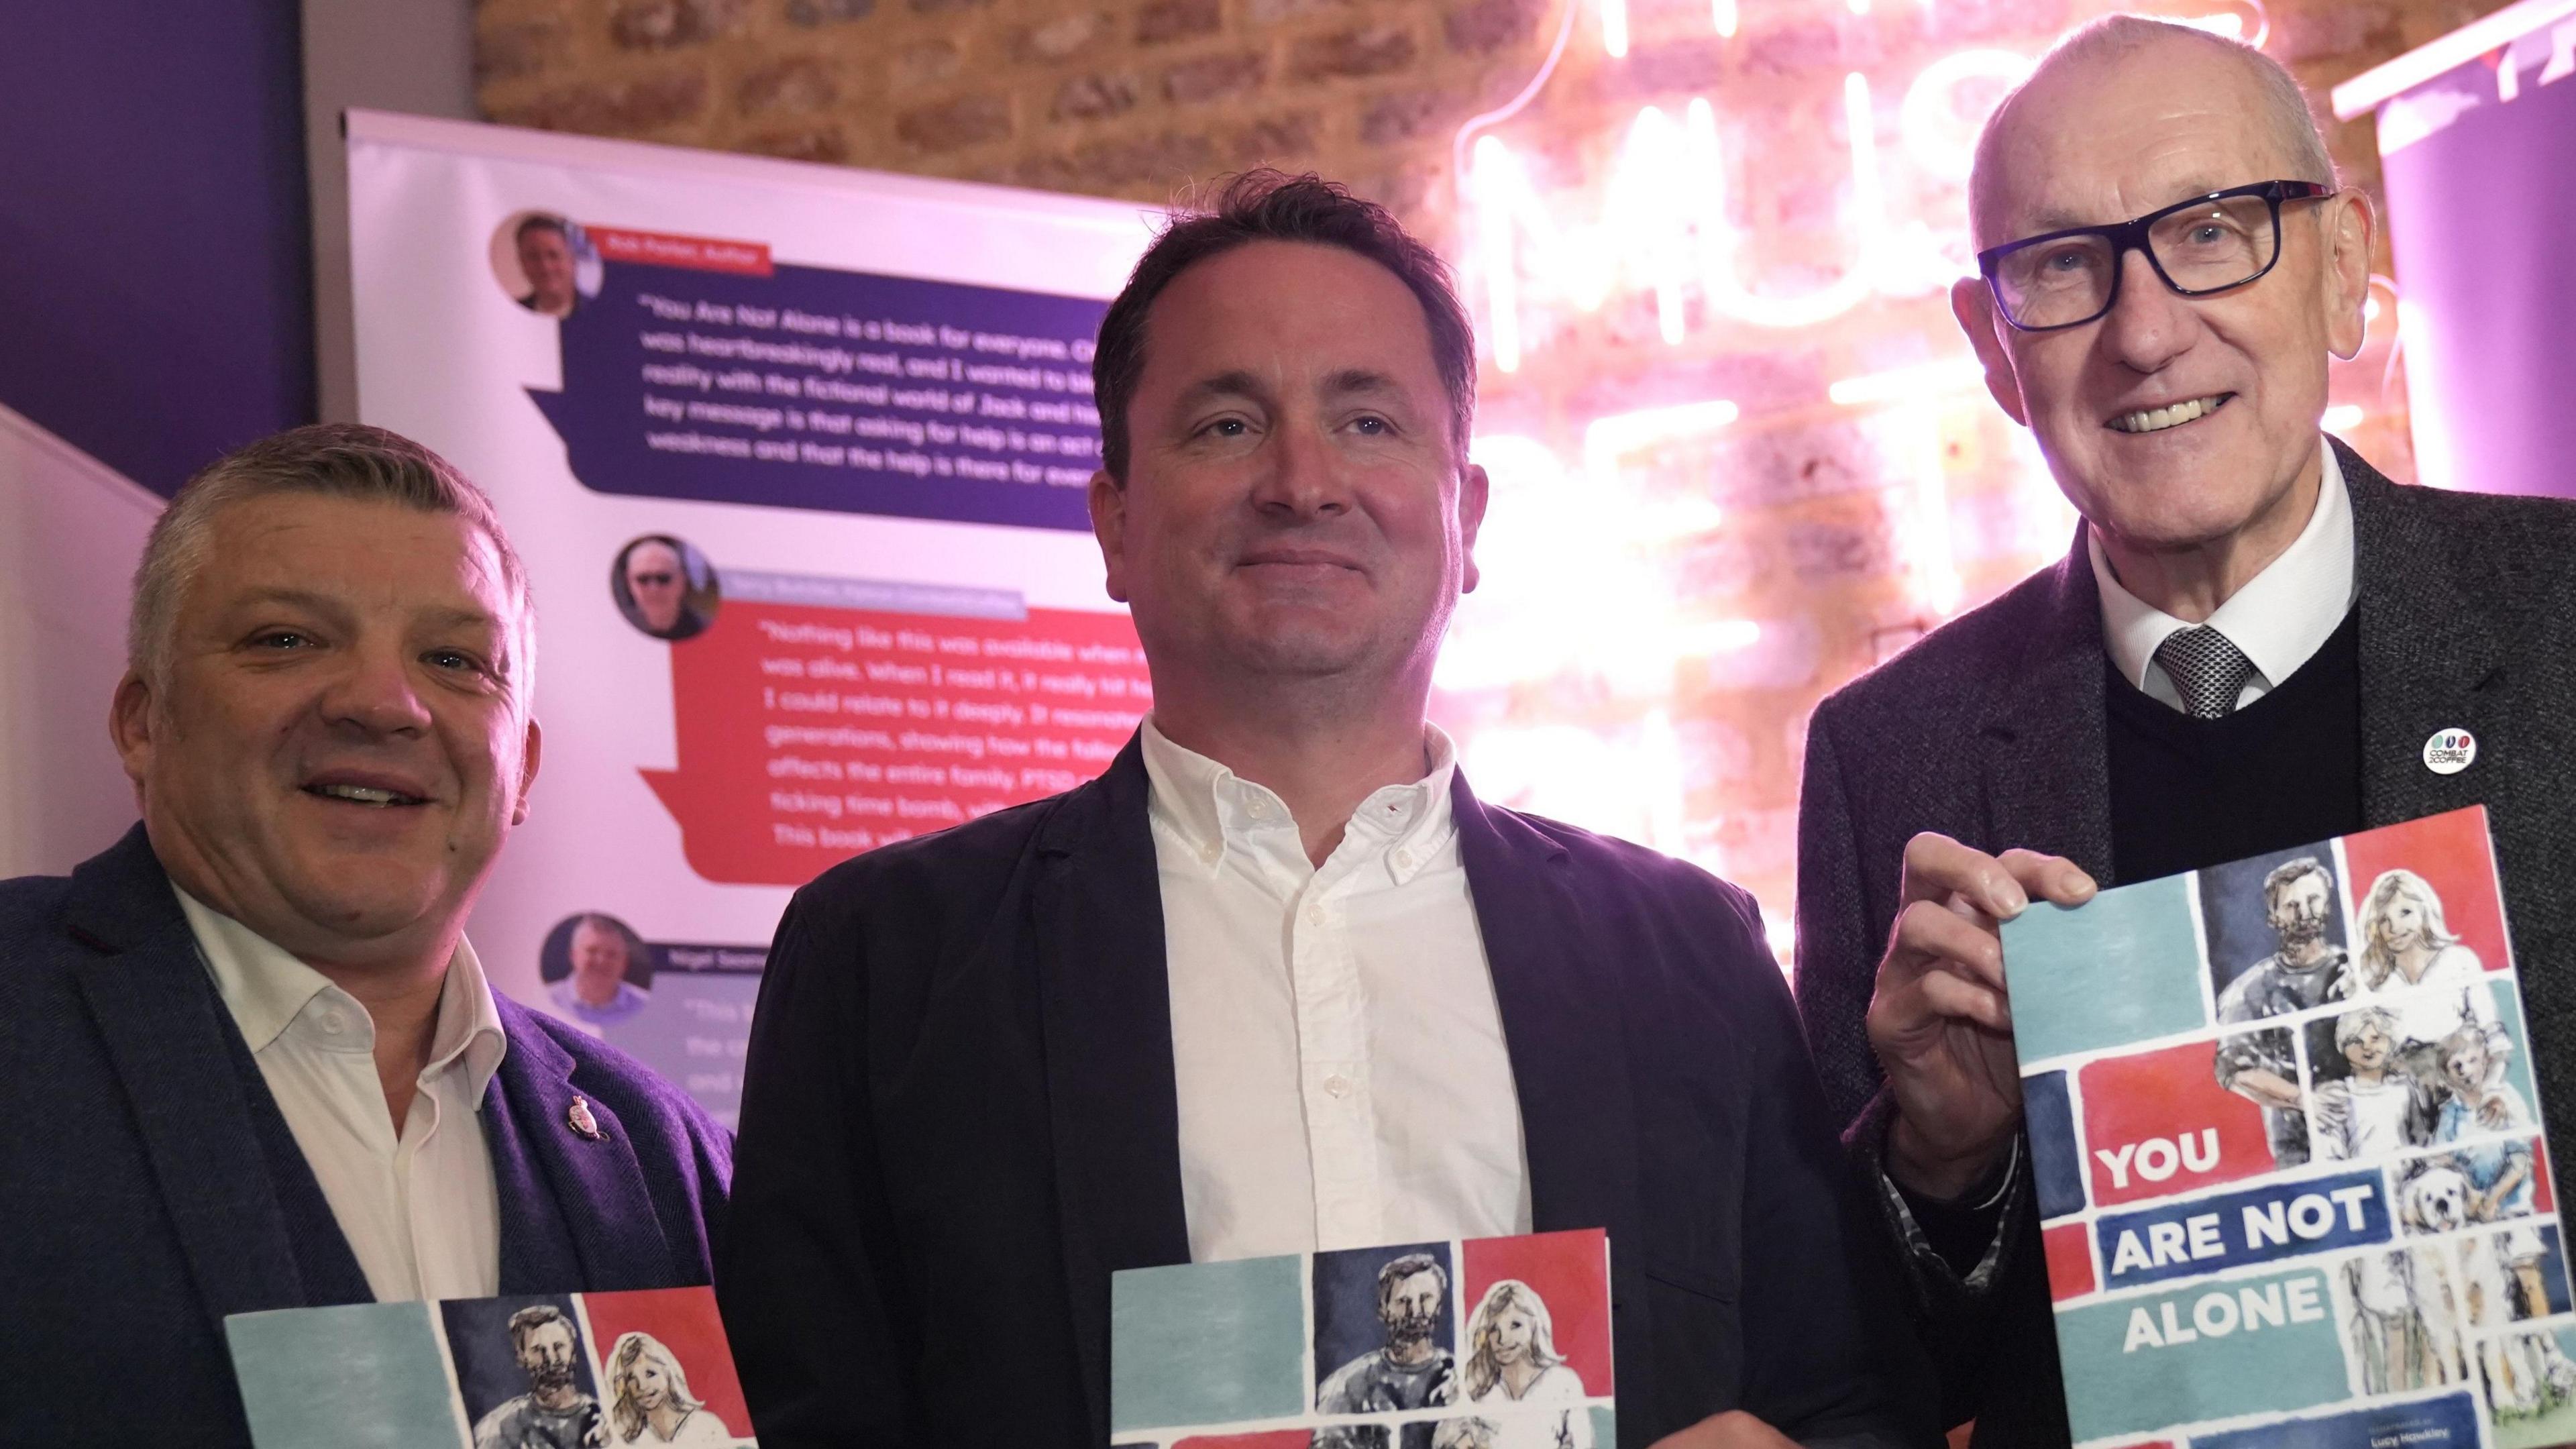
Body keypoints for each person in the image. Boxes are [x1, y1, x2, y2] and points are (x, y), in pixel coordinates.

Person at [719, 172, 1933, 1448]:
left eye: (1366, 423)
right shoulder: (886, 962)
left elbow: (1849, 1401)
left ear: (1465, 520)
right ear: (1115, 523)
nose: (1303, 482)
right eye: (1227, 427)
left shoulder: (1690, 953)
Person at [1790, 12, 2576, 1445]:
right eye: (2064, 267)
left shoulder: (2564, 622)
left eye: (2215, 232)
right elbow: (1873, 1377)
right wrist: (1945, 1164)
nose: (2146, 335)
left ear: (2341, 271)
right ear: (1992, 345)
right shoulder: (1889, 761)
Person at [0, 424, 731, 1446]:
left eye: (453, 659)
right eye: (286, 639)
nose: (386, 705)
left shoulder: (668, 1164)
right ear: (141, 720)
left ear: (520, 767)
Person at [2208, 857, 2348, 1165]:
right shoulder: (2249, 990)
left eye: (2313, 900)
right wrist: (2303, 1100)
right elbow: (2234, 1071)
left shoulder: (2355, 972)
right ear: (2273, 916)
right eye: (2291, 905)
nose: (2305, 913)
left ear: (2327, 904)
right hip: (2297, 1151)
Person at [1320, 1254, 1458, 1416]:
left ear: (1439, 1306)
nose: (1415, 1312)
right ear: (1383, 1310)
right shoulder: (1346, 1386)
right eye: (1403, 1301)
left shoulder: (1458, 1378)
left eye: (1426, 1298)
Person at [1462, 1279, 1593, 1449]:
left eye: (1515, 1326)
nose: (1502, 1340)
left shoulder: (1564, 1384)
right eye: (1494, 1329)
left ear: (1534, 1327)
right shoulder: (1479, 1389)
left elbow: (1582, 1444)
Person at [2308, 1008, 2434, 1161]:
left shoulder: (2404, 1088)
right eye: (2356, 1041)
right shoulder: (2339, 1094)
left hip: (2408, 1174)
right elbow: (2332, 1152)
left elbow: (2421, 1139)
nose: (2367, 1047)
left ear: (2389, 1041)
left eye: (2375, 1039)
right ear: (2343, 1047)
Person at [474, 1305, 603, 1449]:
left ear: (573, 1351)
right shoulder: (499, 1427)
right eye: (538, 1350)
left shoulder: (604, 1418)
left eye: (559, 1346)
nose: (551, 1359)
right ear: (522, 1357)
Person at [604, 1330, 738, 1447]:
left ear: (668, 1373)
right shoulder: (631, 1441)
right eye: (631, 1379)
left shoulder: (706, 1427)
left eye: (650, 1374)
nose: (643, 1386)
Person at [552, 913, 651, 1027]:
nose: (601, 961)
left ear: (624, 963)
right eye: (592, 951)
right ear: (574, 955)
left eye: (611, 954)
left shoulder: (640, 1003)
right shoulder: (552, 999)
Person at [618, 537, 708, 641]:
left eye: (663, 578)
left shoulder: (706, 628)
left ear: (682, 582)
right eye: (643, 579)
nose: (654, 588)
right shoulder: (616, 629)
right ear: (629, 582)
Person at [517, 215, 580, 319]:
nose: (546, 267)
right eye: (534, 257)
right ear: (522, 263)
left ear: (572, 260)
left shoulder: (600, 311)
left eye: (554, 255)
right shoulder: (509, 312)